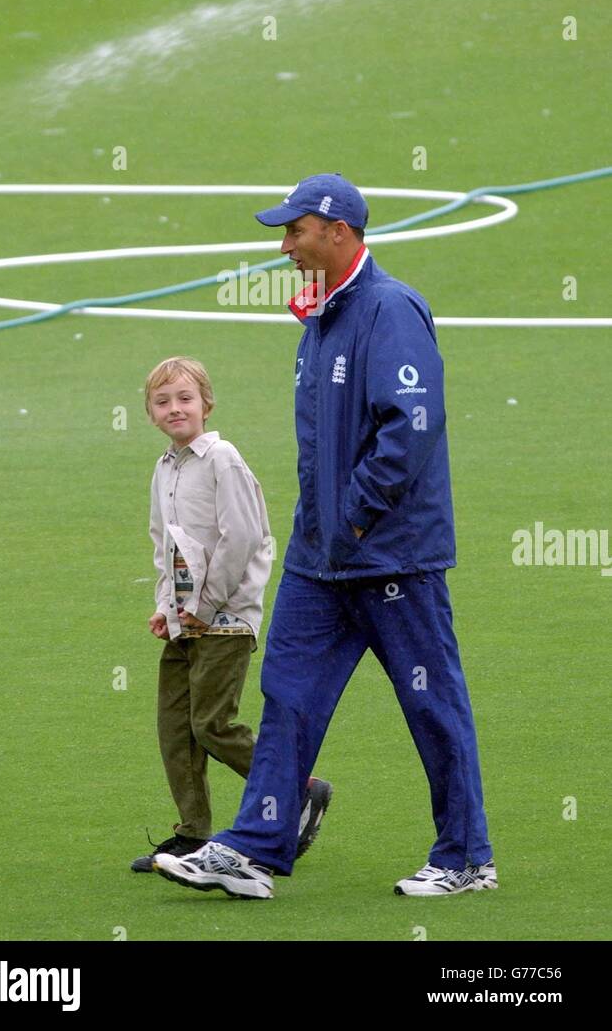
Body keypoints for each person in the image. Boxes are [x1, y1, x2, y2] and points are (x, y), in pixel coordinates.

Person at [154, 175, 496, 900]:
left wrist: (355, 519)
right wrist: (324, 532)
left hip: (390, 554)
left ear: (337, 231)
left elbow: (409, 429)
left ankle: (465, 857)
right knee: (288, 697)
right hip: (323, 560)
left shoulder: (389, 310)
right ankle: (252, 848)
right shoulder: (321, 318)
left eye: (294, 231)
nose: (284, 245)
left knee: (430, 704)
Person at [131, 355, 332, 873]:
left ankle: (300, 790)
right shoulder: (164, 468)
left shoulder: (223, 458)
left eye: (185, 398)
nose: (175, 408)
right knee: (175, 727)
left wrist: (203, 606)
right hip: (186, 618)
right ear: (151, 414)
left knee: (211, 724)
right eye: (162, 401)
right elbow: (165, 544)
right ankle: (192, 833)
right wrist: (167, 606)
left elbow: (242, 538)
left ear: (206, 404)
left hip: (225, 619)